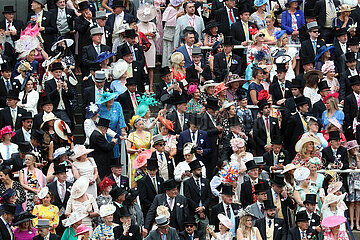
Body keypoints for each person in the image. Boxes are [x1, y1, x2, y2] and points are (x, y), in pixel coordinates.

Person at [183, 160, 212, 232]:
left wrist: (203, 208)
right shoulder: (187, 183)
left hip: (205, 212)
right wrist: (198, 210)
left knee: (206, 231)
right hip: (192, 212)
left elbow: (209, 197)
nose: (200, 171)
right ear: (193, 171)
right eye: (198, 170)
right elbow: (188, 197)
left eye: (201, 169)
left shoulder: (206, 181)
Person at [44, 62, 74, 129]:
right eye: (56, 72)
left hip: (64, 110)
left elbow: (72, 97)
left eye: (60, 72)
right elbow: (48, 97)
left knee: (68, 123)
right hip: (54, 109)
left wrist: (66, 89)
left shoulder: (66, 82)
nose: (58, 74)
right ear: (53, 73)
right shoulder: (48, 83)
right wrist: (57, 89)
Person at [97, 91, 126, 159]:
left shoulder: (117, 105)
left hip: (115, 132)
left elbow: (121, 118)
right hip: (104, 133)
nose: (111, 100)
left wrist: (123, 130)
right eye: (108, 99)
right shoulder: (101, 107)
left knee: (115, 153)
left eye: (112, 98)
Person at [126, 116, 151, 186]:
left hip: (147, 157)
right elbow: (127, 148)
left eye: (143, 124)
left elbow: (152, 146)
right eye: (140, 124)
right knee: (136, 177)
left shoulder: (148, 134)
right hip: (136, 158)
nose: (142, 126)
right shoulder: (132, 135)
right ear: (135, 125)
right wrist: (136, 150)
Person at [161, 0, 183, 68]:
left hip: (176, 31)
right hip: (169, 31)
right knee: (168, 49)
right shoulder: (169, 9)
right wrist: (176, 16)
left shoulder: (179, 9)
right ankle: (167, 65)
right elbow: (165, 20)